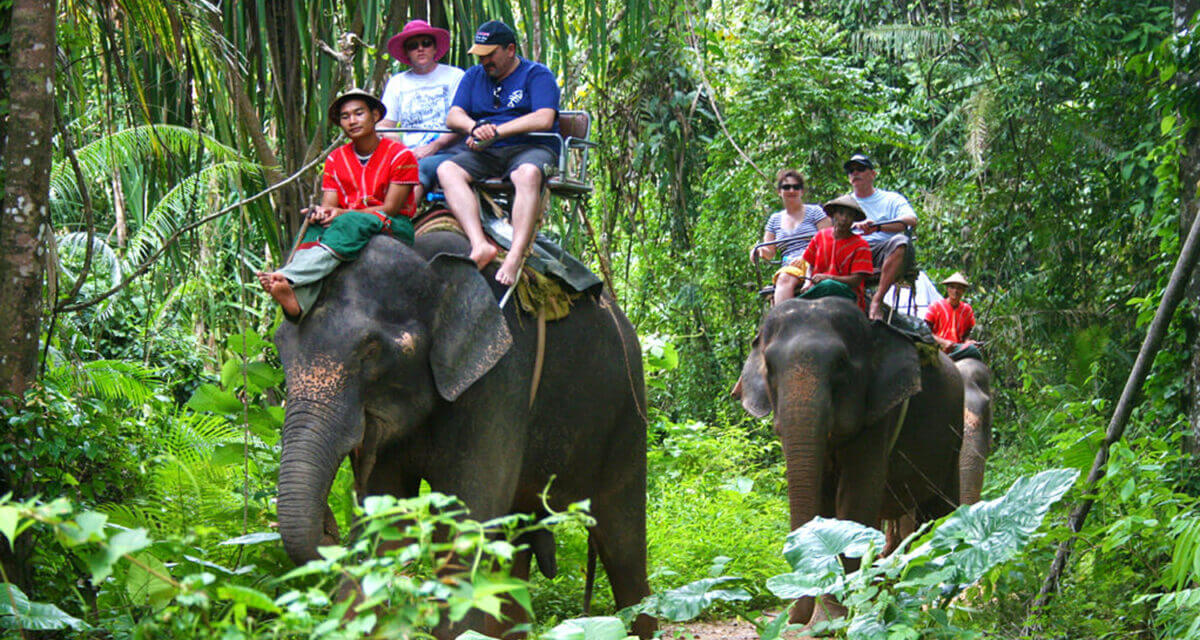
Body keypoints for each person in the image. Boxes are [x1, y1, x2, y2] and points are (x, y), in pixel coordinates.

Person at [257, 89, 418, 318]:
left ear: (375, 116)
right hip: (347, 224)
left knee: (349, 221)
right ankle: (296, 302)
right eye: (345, 116)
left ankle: (290, 275)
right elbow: (330, 205)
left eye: (359, 113)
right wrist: (321, 213)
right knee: (314, 227)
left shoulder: (401, 155)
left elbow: (391, 208)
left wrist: (341, 213)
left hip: (392, 223)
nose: (352, 121)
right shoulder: (335, 158)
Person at [437, 19, 561, 286]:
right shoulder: (474, 76)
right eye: (480, 56)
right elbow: (453, 116)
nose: (484, 61)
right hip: (489, 151)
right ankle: (479, 243)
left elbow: (544, 118)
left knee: (526, 175)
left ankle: (515, 255)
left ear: (510, 50)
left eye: (490, 54)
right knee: (447, 169)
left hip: (531, 147)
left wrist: (496, 132)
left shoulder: (537, 74)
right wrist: (474, 128)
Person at [379, 20, 465, 203]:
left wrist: (435, 146)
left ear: (435, 48)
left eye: (426, 43)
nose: (420, 49)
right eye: (413, 46)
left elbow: (462, 120)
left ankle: (401, 217)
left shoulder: (455, 76)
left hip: (449, 152)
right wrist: (402, 148)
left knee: (416, 170)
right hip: (409, 154)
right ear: (406, 53)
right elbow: (384, 125)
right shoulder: (397, 82)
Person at [844, 153, 918, 321]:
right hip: (852, 251)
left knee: (901, 241)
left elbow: (911, 220)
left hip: (882, 251)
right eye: (851, 171)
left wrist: (877, 227)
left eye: (860, 169)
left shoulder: (891, 199)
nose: (855, 173)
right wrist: (853, 226)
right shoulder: (844, 203)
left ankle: (877, 299)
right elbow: (829, 229)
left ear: (873, 174)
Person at [752, 169, 830, 305]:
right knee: (784, 278)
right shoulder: (774, 220)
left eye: (796, 187)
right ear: (779, 191)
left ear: (802, 191)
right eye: (786, 187)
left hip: (816, 260)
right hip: (791, 267)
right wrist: (758, 251)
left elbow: (829, 239)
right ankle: (783, 315)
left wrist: (806, 256)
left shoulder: (815, 212)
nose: (791, 190)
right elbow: (769, 251)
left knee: (786, 277)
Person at [800, 195, 874, 312]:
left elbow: (856, 280)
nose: (844, 219)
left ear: (854, 219)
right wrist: (807, 282)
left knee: (828, 285)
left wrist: (828, 277)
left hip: (847, 293)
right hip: (818, 288)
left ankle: (801, 305)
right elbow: (810, 264)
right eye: (841, 213)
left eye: (849, 215)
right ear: (834, 214)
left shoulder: (861, 245)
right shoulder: (820, 236)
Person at [925, 272, 977, 353]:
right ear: (947, 289)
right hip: (938, 347)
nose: (955, 291)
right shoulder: (935, 306)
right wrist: (943, 342)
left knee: (975, 352)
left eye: (959, 288)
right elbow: (925, 331)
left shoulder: (967, 309)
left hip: (958, 348)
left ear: (963, 291)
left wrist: (968, 342)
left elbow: (967, 334)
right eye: (952, 287)